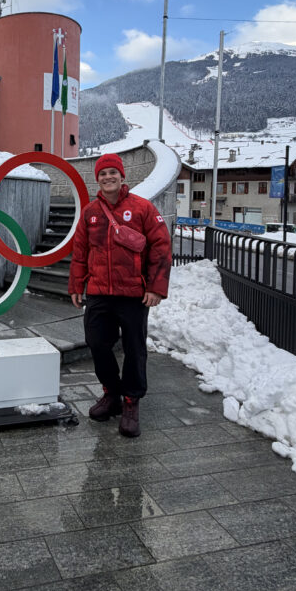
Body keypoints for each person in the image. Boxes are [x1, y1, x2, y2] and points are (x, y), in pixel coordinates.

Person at [69, 153, 172, 438]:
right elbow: (80, 253)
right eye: (103, 174)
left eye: (113, 172)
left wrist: (155, 287)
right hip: (100, 292)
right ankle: (111, 393)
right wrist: (77, 286)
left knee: (135, 349)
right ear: (97, 179)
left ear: (122, 176)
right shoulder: (90, 212)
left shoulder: (142, 208)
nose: (108, 177)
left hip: (134, 294)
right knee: (96, 343)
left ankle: (130, 401)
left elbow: (161, 248)